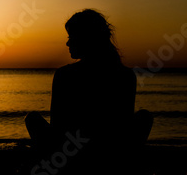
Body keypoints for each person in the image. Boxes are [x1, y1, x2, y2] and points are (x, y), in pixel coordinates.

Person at [25, 9, 153, 153]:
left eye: (71, 36)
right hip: (112, 149)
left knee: (32, 118)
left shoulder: (64, 75)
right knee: (145, 116)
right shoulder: (126, 75)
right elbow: (123, 124)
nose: (68, 43)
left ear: (86, 38)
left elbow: (58, 126)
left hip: (69, 154)